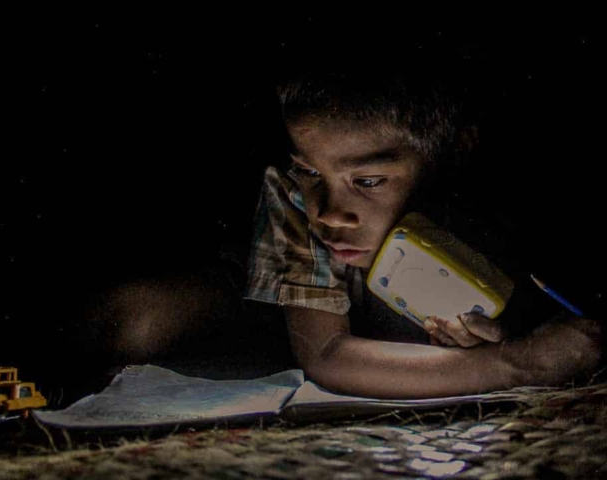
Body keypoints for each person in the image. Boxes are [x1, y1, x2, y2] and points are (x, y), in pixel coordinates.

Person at [242, 64, 603, 399]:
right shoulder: (294, 196)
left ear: (445, 160)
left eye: (368, 181)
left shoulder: (488, 200)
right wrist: (518, 363)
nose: (330, 214)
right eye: (310, 172)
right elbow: (324, 352)